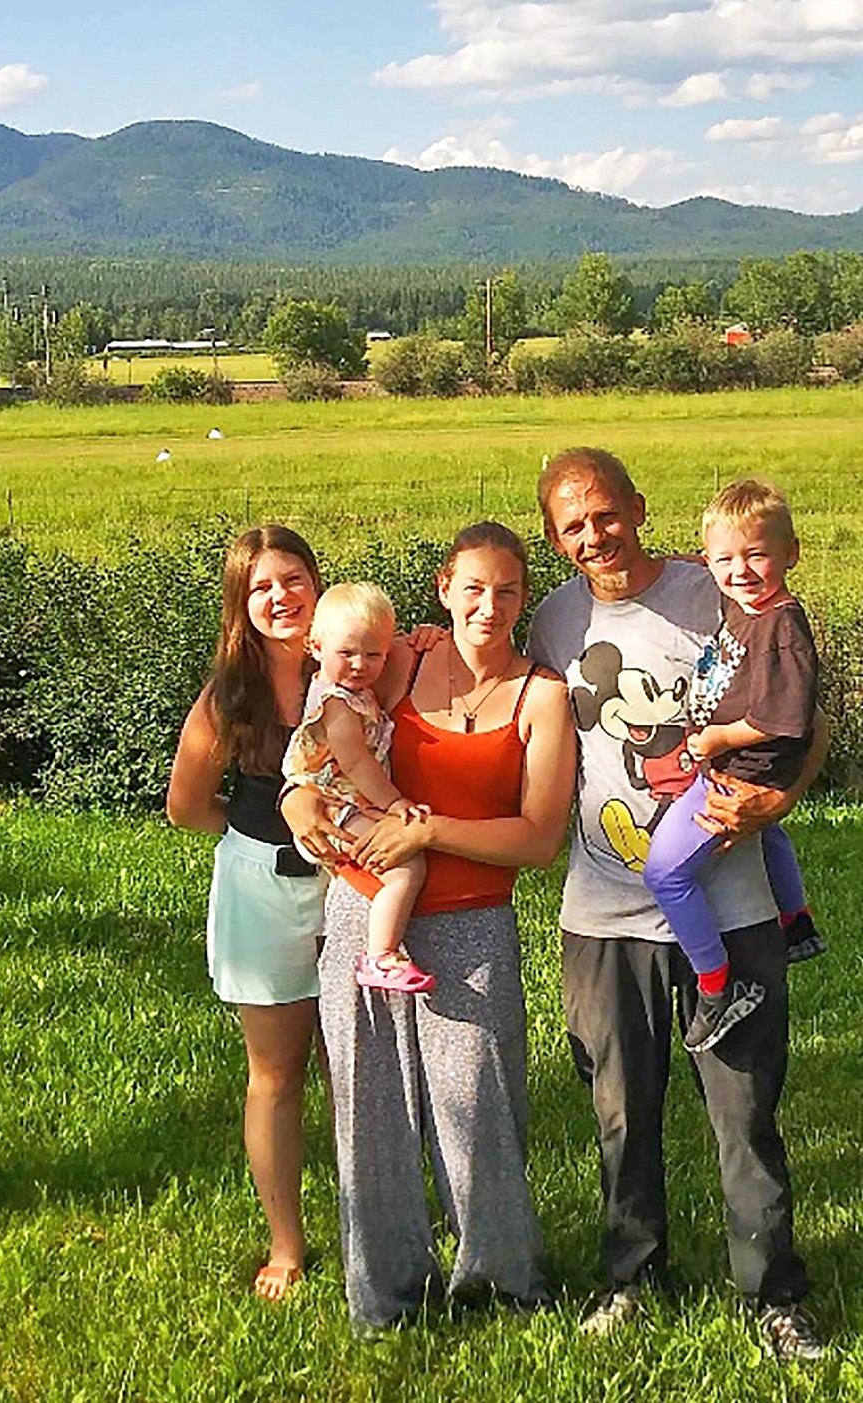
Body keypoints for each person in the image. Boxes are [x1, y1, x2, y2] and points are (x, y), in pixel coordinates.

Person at [528, 448, 827, 1361]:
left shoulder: (718, 591)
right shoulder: (551, 622)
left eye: (606, 514)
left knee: (743, 1111)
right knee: (621, 1112)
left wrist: (780, 798)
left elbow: (804, 714)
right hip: (602, 916)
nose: (594, 535)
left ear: (639, 507)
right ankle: (630, 1276)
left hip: (730, 908)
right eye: (573, 525)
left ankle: (773, 1294)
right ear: (555, 538)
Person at [283, 521, 576, 1332]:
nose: (489, 605)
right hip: (361, 905)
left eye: (508, 590)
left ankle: (501, 1278)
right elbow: (324, 732)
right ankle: (384, 1293)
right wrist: (296, 797)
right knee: (368, 1111)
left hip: (473, 924)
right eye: (473, 586)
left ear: (526, 597)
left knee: (479, 1105)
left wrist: (428, 831)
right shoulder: (400, 660)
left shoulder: (541, 695)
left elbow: (540, 838)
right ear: (443, 585)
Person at [167, 525, 327, 1303]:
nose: (281, 597)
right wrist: (255, 832)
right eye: (262, 586)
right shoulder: (227, 695)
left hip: (356, 888)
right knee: (276, 1073)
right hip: (263, 890)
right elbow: (186, 806)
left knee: (363, 1068)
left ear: (316, 581)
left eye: (293, 578)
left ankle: (383, 1220)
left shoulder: (362, 660)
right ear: (242, 604)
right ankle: (286, 1244)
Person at [642, 478, 824, 1056]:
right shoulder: (746, 603)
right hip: (739, 763)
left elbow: (782, 718)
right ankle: (795, 919)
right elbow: (708, 568)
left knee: (665, 874)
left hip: (741, 772)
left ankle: (718, 984)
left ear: (790, 554)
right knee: (772, 838)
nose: (740, 570)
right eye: (724, 559)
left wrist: (717, 737)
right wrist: (661, 562)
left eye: (756, 555)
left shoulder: (781, 629)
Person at [282, 582, 435, 995]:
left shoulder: (352, 690)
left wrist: (418, 638)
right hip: (334, 805)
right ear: (316, 647)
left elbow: (388, 641)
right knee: (407, 869)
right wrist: (394, 804)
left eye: (373, 655)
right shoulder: (337, 703)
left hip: (342, 802)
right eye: (346, 653)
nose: (359, 664)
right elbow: (356, 763)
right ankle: (381, 955)